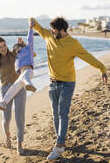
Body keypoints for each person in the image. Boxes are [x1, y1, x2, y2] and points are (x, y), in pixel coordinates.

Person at [29, 17, 108, 160]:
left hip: (67, 83)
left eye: (55, 30)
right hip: (52, 83)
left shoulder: (73, 43)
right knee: (55, 113)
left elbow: (88, 57)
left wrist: (102, 68)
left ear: (62, 30)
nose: (52, 32)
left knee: (62, 113)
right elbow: (38, 27)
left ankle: (59, 145)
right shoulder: (49, 36)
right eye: (51, 30)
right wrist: (32, 21)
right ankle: (61, 139)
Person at [0, 36, 26, 155]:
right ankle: (7, 136)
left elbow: (29, 54)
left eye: (4, 45)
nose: (3, 48)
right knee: (6, 119)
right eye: (0, 47)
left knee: (19, 117)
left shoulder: (14, 53)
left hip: (19, 87)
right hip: (5, 90)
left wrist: (22, 44)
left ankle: (19, 143)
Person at [0, 27, 36, 112]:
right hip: (22, 75)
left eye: (18, 47)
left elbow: (30, 38)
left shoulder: (28, 49)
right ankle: (3, 103)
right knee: (14, 88)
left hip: (28, 71)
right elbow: (11, 53)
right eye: (16, 49)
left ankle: (29, 84)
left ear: (23, 46)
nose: (17, 50)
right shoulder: (17, 56)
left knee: (25, 77)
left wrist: (31, 28)